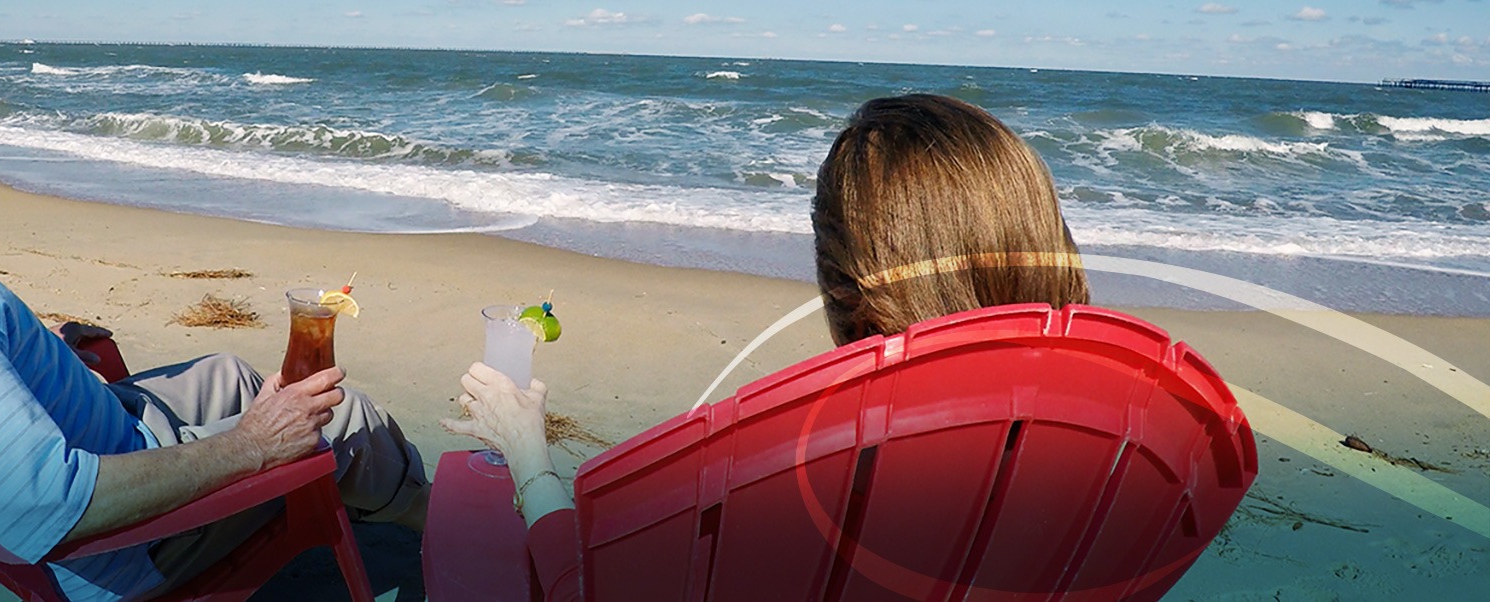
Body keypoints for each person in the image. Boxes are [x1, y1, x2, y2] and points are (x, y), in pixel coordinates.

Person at [0, 29, 428, 601]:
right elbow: (60, 505)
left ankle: (374, 490)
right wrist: (255, 446)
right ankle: (446, 529)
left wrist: (33, 353)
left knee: (228, 372)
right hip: (127, 542)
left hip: (94, 425)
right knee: (344, 419)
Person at [441, 93, 1091, 599]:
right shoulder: (1100, 454)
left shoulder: (812, 485)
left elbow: (580, 588)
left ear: (845, 290)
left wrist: (529, 457)